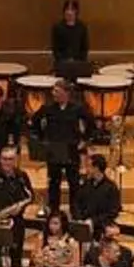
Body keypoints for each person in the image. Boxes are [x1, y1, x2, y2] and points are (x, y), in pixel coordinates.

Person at [31, 80, 93, 213]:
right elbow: (35, 122)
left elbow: (91, 123)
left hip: (72, 149)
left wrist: (84, 140)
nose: (53, 93)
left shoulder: (77, 108)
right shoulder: (48, 108)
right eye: (53, 91)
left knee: (73, 181)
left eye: (57, 91)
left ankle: (75, 211)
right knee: (54, 182)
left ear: (66, 93)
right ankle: (54, 210)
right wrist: (42, 139)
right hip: (54, 149)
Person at [72, 154, 121, 239]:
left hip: (102, 226)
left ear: (96, 168)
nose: (86, 169)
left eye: (89, 166)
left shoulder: (111, 187)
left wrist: (93, 221)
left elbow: (113, 212)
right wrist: (79, 218)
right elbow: (76, 202)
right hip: (84, 224)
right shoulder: (86, 184)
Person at [52, 0, 89, 65]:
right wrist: (63, 61)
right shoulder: (58, 27)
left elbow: (84, 48)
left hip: (78, 63)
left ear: (76, 11)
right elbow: (55, 49)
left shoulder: (82, 27)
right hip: (61, 63)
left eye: (72, 9)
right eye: (67, 9)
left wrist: (79, 61)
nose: (69, 12)